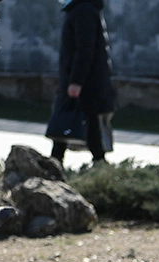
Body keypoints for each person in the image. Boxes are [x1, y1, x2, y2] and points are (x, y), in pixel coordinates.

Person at [49, 0, 115, 165]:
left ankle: (54, 165)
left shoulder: (83, 10)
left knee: (74, 120)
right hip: (82, 81)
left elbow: (85, 48)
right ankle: (57, 163)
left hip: (83, 82)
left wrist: (76, 81)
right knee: (78, 122)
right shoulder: (81, 8)